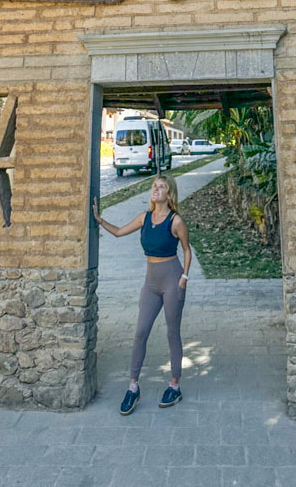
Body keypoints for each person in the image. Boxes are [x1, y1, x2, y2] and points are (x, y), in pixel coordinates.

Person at [92, 174, 191, 414]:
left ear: (169, 194)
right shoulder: (145, 218)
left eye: (161, 187)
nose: (155, 189)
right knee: (140, 332)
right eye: (154, 186)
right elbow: (118, 232)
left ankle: (174, 384)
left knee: (172, 333)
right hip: (150, 283)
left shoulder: (176, 221)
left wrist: (184, 278)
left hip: (172, 280)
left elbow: (187, 250)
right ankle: (133, 387)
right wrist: (99, 220)